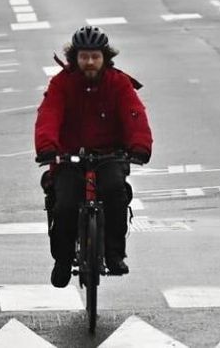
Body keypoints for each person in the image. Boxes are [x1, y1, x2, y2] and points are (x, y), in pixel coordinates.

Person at [34, 26, 152, 288]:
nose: (89, 62)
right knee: (64, 205)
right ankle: (63, 260)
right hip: (69, 157)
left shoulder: (118, 83)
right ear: (74, 58)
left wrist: (140, 146)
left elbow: (134, 114)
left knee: (115, 193)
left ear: (105, 57)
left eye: (95, 56)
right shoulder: (62, 83)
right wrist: (47, 147)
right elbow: (49, 114)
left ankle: (114, 254)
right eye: (84, 56)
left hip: (109, 155)